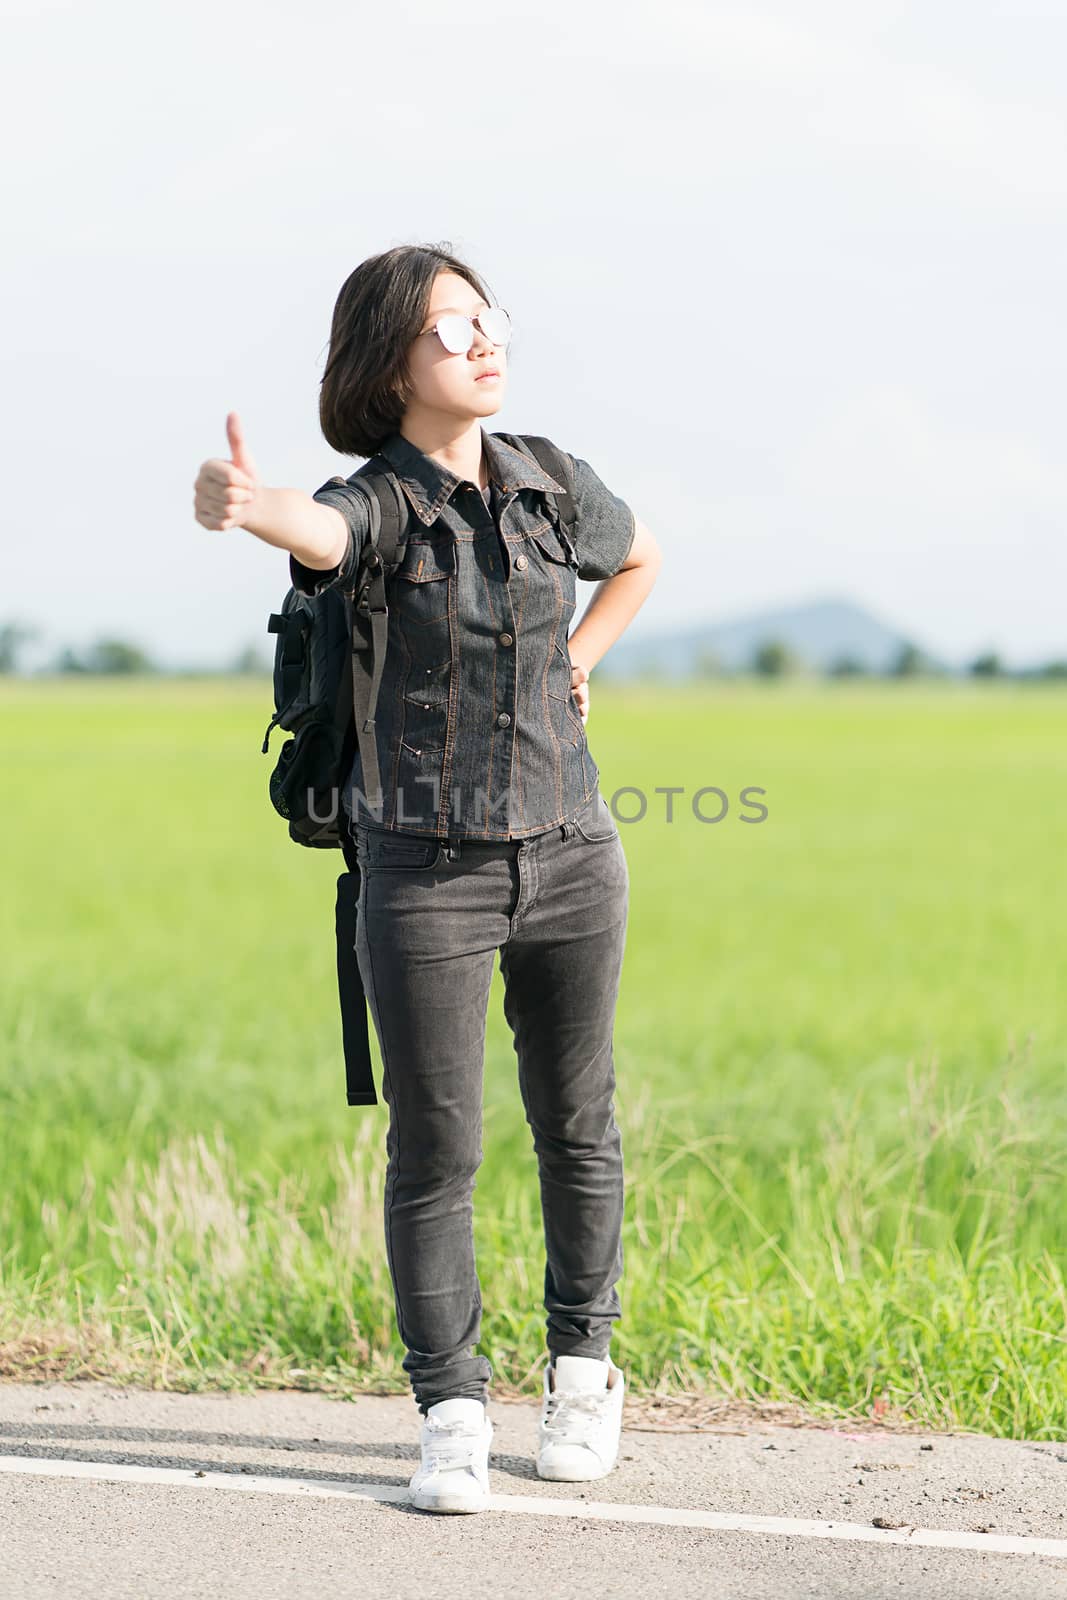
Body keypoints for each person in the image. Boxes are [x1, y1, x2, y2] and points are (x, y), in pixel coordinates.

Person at [193, 241, 663, 1514]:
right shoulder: (384, 500)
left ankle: (583, 1372)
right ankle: (450, 1409)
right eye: (450, 330)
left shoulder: (548, 479)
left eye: (487, 319)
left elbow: (637, 558)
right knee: (435, 1145)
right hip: (424, 874)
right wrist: (250, 503)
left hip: (573, 855)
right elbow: (320, 530)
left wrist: (584, 655)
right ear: (390, 362)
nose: (481, 342)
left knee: (578, 1125)